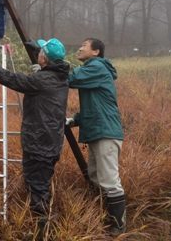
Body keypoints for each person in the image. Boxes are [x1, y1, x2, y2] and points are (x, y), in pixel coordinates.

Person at [0, 38, 68, 228]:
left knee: (38, 187)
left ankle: (41, 229)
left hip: (40, 145)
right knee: (40, 183)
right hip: (50, 142)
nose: (38, 54)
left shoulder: (41, 80)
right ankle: (40, 222)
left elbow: (12, 79)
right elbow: (47, 61)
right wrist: (34, 47)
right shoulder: (61, 75)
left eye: (41, 52)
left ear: (45, 59)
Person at [67, 38, 126, 234]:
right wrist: (75, 120)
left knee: (109, 179)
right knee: (95, 176)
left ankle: (118, 226)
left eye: (84, 44)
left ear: (96, 51)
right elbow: (95, 105)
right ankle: (103, 217)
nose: (80, 47)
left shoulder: (97, 67)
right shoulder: (93, 68)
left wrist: (50, 62)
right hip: (97, 131)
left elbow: (70, 78)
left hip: (106, 131)